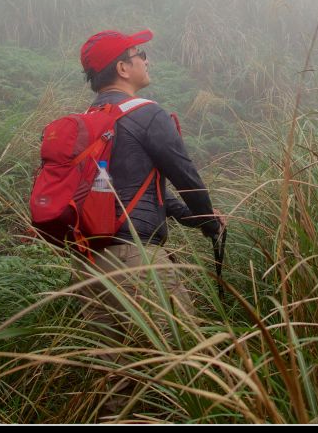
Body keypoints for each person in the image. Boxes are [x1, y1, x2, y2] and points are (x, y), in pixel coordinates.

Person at [74, 28, 224, 420]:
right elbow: (186, 177)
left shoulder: (87, 122)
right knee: (185, 366)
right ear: (123, 68)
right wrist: (209, 222)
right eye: (139, 54)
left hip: (89, 265)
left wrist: (186, 216)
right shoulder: (146, 113)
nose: (146, 59)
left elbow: (132, 188)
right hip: (137, 261)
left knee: (117, 384)